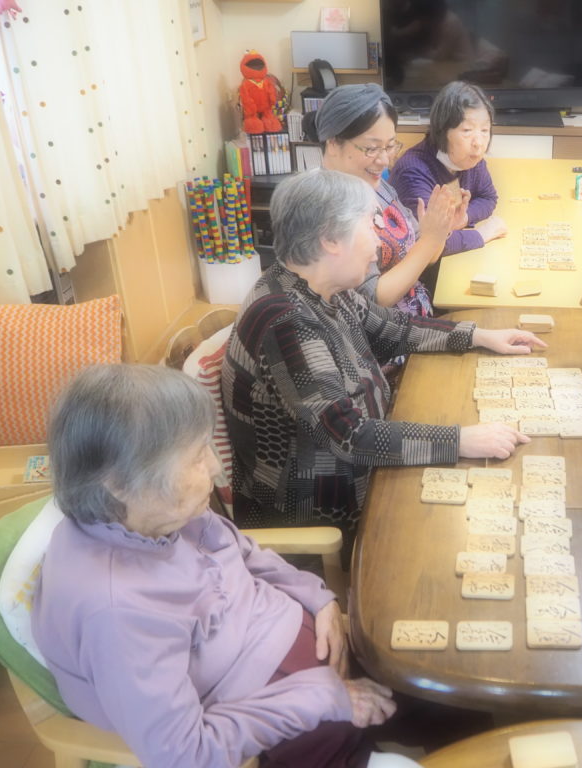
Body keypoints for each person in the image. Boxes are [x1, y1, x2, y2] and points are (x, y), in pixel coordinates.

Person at [32, 364, 405, 768]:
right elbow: (186, 754)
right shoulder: (116, 613)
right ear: (119, 483)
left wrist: (319, 600)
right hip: (283, 725)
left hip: (320, 661)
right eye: (196, 457)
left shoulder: (155, 513)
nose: (215, 467)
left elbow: (243, 553)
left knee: (432, 683)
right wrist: (323, 697)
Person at [222, 169, 541, 544]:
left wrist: (481, 335)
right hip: (323, 504)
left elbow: (393, 328)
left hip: (362, 464)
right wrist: (460, 441)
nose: (377, 241)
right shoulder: (286, 322)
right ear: (330, 240)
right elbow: (349, 436)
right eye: (368, 226)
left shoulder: (320, 285)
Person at [305, 83, 461, 318]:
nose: (385, 160)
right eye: (371, 148)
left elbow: (424, 255)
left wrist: (441, 228)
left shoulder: (375, 185)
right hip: (384, 336)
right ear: (333, 143)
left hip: (416, 321)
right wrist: (430, 240)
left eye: (389, 146)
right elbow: (373, 300)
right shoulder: (326, 208)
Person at [390, 80, 507, 269]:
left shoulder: (469, 159)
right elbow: (428, 244)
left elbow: (488, 197)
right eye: (467, 130)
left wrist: (463, 218)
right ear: (442, 131)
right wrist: (483, 234)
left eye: (485, 130)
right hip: (420, 273)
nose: (478, 143)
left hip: (452, 262)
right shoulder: (413, 172)